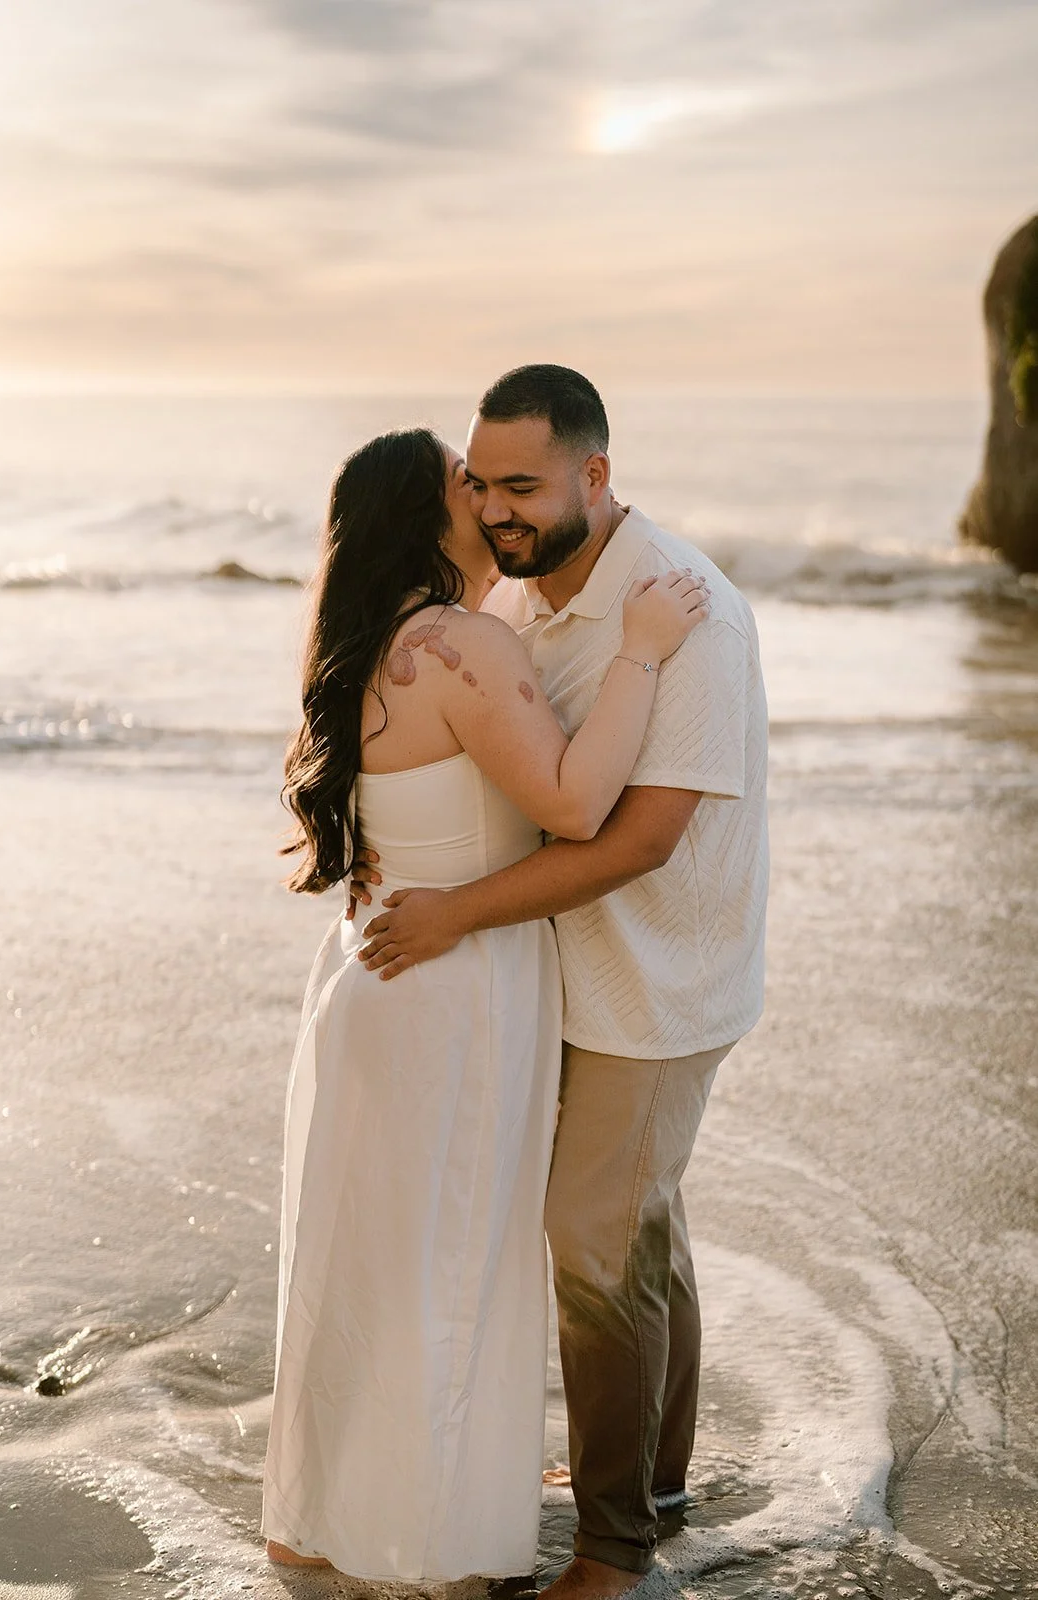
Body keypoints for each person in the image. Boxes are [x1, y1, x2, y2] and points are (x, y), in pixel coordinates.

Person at [260, 425, 708, 1582]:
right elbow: (569, 803)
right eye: (466, 484)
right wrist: (643, 654)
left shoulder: (363, 644)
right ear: (428, 515)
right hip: (454, 988)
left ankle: (326, 1519)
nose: (488, 499)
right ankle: (437, 1540)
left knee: (365, 1266)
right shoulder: (460, 643)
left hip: (368, 977)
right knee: (453, 1263)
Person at [354, 367, 770, 1597]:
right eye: (481, 486)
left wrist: (453, 913)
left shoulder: (687, 612)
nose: (496, 511)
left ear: (596, 473)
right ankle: (653, 1475)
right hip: (565, 971)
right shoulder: (526, 600)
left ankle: (612, 1550)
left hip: (657, 982)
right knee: (639, 1229)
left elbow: (637, 839)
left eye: (524, 485)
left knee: (592, 1246)